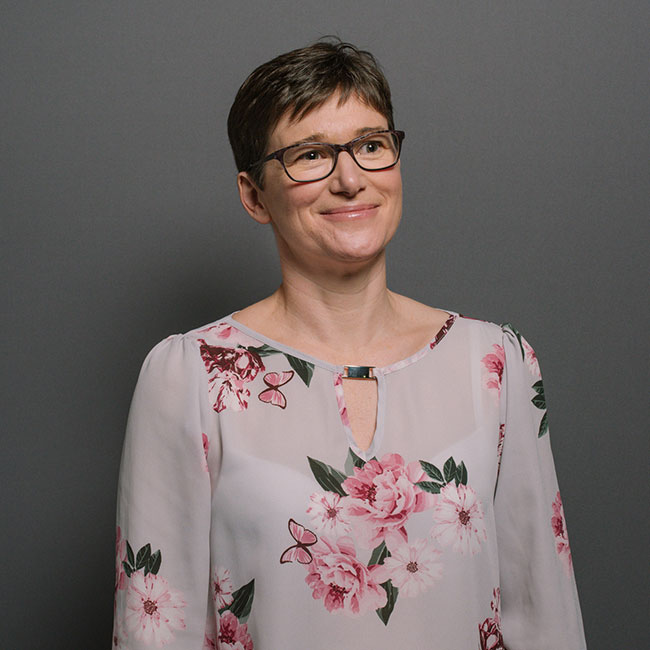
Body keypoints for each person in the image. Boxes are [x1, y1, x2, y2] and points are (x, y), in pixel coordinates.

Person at [112, 39, 586, 649]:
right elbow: (155, 632)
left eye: (370, 145)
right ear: (254, 195)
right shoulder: (191, 377)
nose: (350, 179)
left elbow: (545, 618)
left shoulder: (496, 365)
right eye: (310, 155)